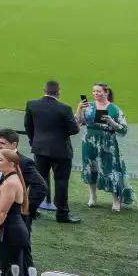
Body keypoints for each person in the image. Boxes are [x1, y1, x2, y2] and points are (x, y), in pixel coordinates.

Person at [23, 80, 82, 223]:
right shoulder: (65, 108)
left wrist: (34, 142)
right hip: (61, 151)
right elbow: (73, 130)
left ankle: (30, 210)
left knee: (38, 180)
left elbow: (28, 126)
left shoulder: (32, 105)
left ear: (44, 90)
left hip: (40, 150)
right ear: (58, 92)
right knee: (61, 182)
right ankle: (62, 214)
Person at [78, 82, 133, 213]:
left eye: (98, 91)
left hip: (108, 144)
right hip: (90, 142)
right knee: (90, 168)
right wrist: (79, 108)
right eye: (94, 91)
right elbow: (79, 121)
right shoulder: (89, 106)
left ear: (106, 92)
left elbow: (123, 129)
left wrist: (111, 121)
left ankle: (115, 200)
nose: (96, 94)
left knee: (111, 170)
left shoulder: (114, 109)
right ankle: (92, 196)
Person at [0, 149, 33, 276]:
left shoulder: (10, 182)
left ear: (12, 163)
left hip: (11, 232)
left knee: (9, 274)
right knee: (15, 272)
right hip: (14, 230)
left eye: (0, 160)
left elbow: (2, 212)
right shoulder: (10, 178)